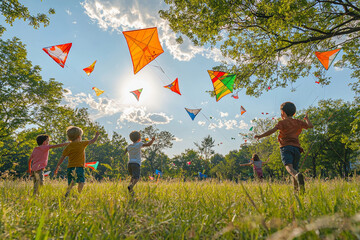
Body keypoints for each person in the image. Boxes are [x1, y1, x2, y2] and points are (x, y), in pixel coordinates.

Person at [255, 102, 313, 193]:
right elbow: (310, 126)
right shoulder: (298, 122)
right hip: (297, 149)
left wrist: (260, 136)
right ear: (294, 113)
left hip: (286, 148)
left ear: (283, 113)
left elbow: (271, 131)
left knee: (289, 167)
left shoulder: (282, 123)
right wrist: (306, 119)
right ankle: (297, 191)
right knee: (294, 170)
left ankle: (297, 176)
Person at [54, 126, 100, 197]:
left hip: (70, 168)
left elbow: (62, 157)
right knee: (81, 181)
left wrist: (57, 166)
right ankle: (79, 193)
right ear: (79, 136)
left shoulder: (69, 146)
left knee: (71, 183)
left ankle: (68, 192)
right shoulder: (82, 143)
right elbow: (92, 141)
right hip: (79, 167)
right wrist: (96, 136)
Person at [124, 131, 155, 196]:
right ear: (139, 139)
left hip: (129, 164)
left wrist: (124, 154)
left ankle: (131, 191)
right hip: (136, 163)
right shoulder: (139, 144)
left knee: (133, 177)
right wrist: (152, 140)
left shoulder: (129, 146)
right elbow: (148, 144)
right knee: (137, 178)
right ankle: (131, 186)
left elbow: (125, 151)